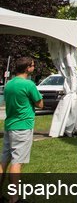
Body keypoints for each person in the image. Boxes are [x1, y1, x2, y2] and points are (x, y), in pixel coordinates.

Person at [0, 56, 43, 203]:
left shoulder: (9, 84)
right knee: (17, 162)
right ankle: (14, 198)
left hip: (9, 125)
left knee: (3, 161)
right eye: (32, 65)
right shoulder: (28, 84)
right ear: (27, 68)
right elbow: (40, 103)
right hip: (23, 126)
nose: (33, 67)